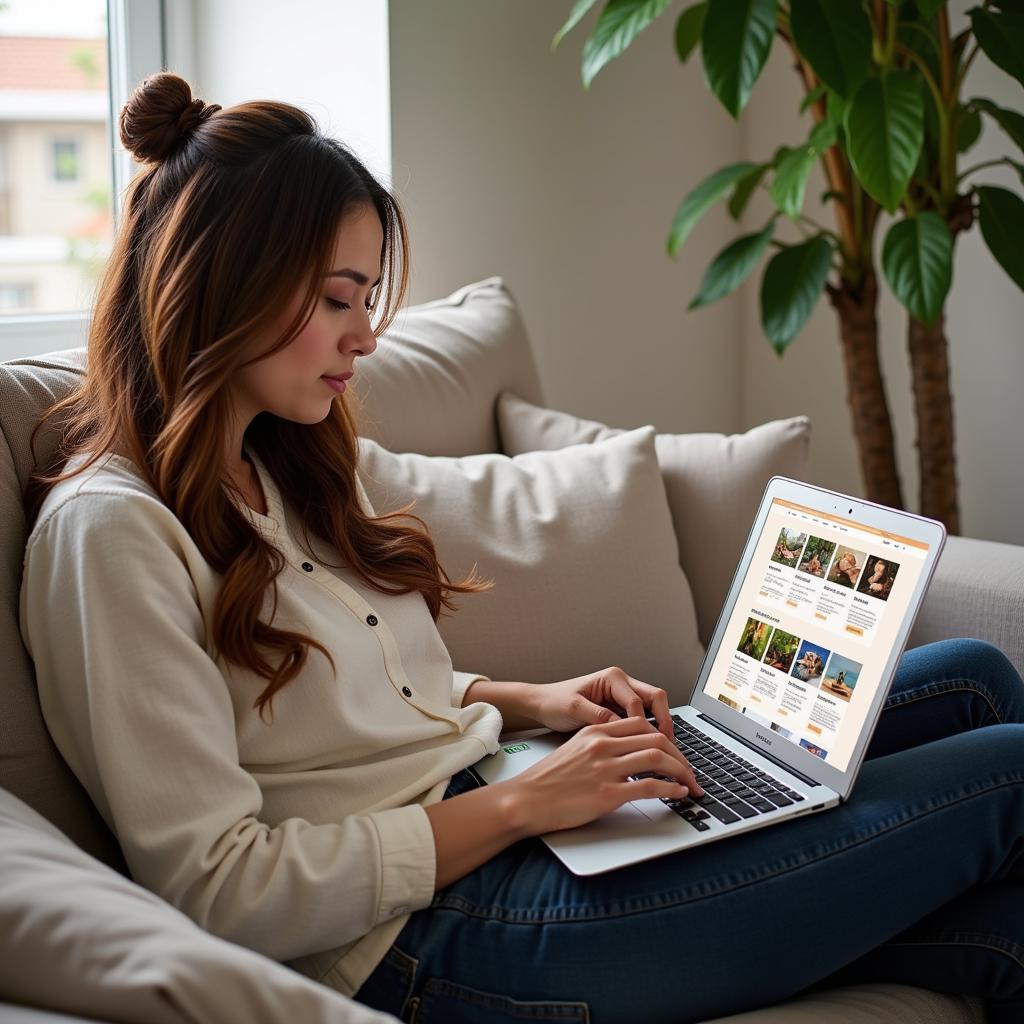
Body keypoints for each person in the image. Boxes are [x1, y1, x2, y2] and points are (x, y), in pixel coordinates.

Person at [18, 74, 1024, 1024]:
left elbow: (351, 707)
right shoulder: (112, 533)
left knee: (975, 682)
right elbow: (222, 887)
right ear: (222, 283)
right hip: (434, 936)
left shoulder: (280, 466)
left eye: (366, 299)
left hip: (500, 808)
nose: (364, 336)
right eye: (336, 298)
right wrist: (521, 802)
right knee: (1008, 764)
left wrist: (532, 704)